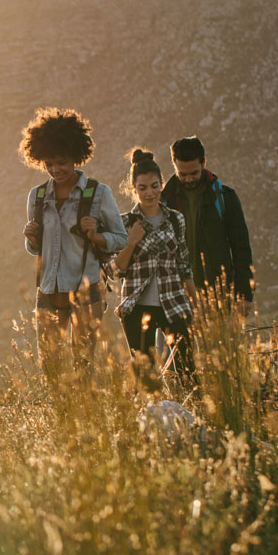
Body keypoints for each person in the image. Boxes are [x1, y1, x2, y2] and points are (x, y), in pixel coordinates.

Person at [19, 108, 128, 383]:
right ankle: (63, 418)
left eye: (62, 162)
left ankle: (82, 418)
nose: (55, 169)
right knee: (51, 366)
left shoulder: (98, 193)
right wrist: (31, 238)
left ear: (76, 157)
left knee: (82, 365)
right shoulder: (37, 195)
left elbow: (121, 238)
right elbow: (35, 249)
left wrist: (97, 236)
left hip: (86, 291)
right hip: (47, 290)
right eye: (48, 163)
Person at [110, 147, 193, 380]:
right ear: (133, 189)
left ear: (162, 184)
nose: (150, 193)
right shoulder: (124, 223)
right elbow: (115, 270)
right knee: (146, 378)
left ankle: (189, 415)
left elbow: (184, 263)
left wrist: (196, 304)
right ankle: (151, 416)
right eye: (143, 188)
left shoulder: (176, 219)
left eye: (154, 186)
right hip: (136, 308)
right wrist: (132, 241)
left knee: (188, 372)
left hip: (174, 303)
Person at [160, 135, 254, 317]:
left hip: (218, 294)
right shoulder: (164, 201)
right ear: (174, 165)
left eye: (193, 173)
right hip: (176, 294)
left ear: (204, 163)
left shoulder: (225, 197)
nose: (188, 179)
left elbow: (241, 247)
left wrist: (244, 294)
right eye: (182, 174)